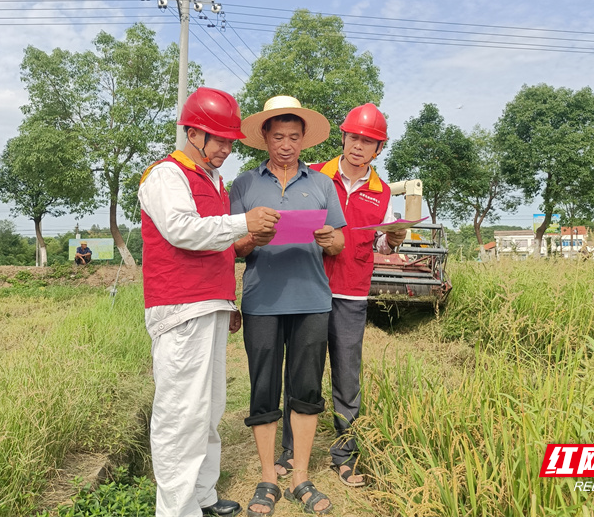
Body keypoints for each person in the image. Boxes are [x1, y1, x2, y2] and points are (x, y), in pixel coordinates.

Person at [138, 87, 281, 517]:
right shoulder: (166, 176)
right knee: (181, 414)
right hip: (180, 307)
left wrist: (243, 244)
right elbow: (182, 230)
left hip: (207, 304)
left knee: (208, 409)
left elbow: (213, 243)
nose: (225, 148)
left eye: (229, 142)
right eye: (217, 139)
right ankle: (177, 510)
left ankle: (202, 494)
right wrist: (242, 221)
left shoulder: (211, 180)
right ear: (192, 133)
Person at [275, 103, 406, 488]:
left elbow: (379, 241)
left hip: (352, 293)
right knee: (302, 372)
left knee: (347, 377)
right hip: (309, 289)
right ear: (343, 138)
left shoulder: (382, 192)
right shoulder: (314, 175)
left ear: (379, 149)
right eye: (354, 137)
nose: (359, 146)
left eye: (369, 141)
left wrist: (392, 238)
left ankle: (344, 455)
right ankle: (289, 451)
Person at [230, 96, 346, 517]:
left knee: (307, 388)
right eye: (278, 136)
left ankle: (299, 475)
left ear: (304, 141)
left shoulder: (321, 184)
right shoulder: (243, 184)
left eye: (294, 137)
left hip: (312, 299)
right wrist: (251, 239)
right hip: (262, 300)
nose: (286, 145)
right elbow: (233, 245)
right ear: (264, 137)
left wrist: (330, 239)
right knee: (263, 386)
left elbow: (339, 241)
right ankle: (267, 476)